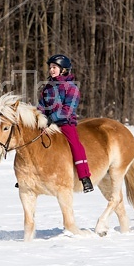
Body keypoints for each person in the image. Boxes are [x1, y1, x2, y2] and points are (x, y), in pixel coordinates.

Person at [37, 54, 94, 193]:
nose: (51, 70)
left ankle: (84, 177)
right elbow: (41, 106)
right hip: (48, 123)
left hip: (65, 123)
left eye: (54, 67)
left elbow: (68, 109)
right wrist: (40, 116)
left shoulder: (71, 88)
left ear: (63, 69)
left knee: (75, 145)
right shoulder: (47, 88)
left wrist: (53, 118)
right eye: (50, 67)